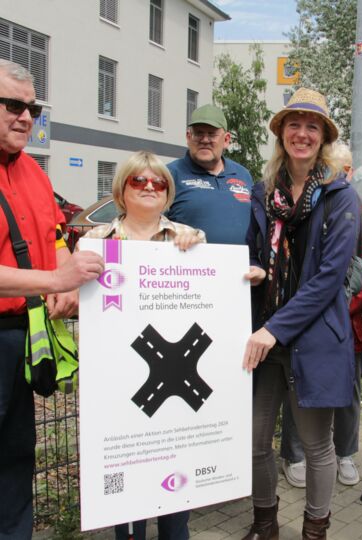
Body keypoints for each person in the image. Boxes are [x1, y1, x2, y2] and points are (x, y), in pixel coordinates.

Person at [242, 88, 361, 540]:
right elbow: (254, 251)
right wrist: (252, 269)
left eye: (313, 126)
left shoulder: (340, 196)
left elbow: (329, 279)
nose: (302, 133)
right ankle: (265, 523)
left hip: (312, 338)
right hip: (266, 337)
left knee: (316, 447)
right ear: (281, 134)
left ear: (324, 137)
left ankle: (315, 530)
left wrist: (273, 329)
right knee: (256, 442)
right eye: (294, 124)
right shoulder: (263, 192)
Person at [0, 59, 104, 539]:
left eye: (33, 107)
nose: (26, 117)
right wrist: (52, 281)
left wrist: (67, 274)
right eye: (13, 105)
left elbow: (56, 234)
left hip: (24, 337)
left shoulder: (34, 172)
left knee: (17, 455)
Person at [83, 150, 205, 540]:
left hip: (173, 400)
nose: (150, 187)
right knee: (128, 504)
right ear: (122, 189)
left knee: (175, 503)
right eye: (140, 180)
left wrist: (244, 276)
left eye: (159, 182)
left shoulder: (190, 240)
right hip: (121, 388)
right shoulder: (94, 243)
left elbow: (212, 298)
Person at [279, 142, 362, 488]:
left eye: (345, 169)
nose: (339, 174)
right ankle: (294, 455)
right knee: (301, 388)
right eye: (331, 168)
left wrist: (340, 307)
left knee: (349, 392)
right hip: (308, 321)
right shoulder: (309, 204)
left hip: (350, 322)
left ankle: (346, 453)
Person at [167, 104, 253, 245]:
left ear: (226, 140)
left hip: (240, 266)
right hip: (190, 265)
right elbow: (150, 228)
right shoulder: (170, 174)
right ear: (188, 137)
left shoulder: (243, 174)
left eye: (212, 134)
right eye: (199, 133)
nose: (205, 140)